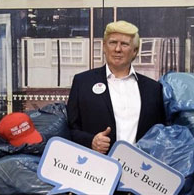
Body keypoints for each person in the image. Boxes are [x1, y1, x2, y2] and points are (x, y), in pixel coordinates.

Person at [67, 20, 165, 154]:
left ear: (135, 51)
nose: (117, 49)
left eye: (124, 44)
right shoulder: (82, 82)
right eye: (113, 43)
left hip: (139, 165)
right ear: (104, 46)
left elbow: (161, 134)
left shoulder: (153, 89)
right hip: (96, 164)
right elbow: (70, 130)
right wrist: (91, 141)